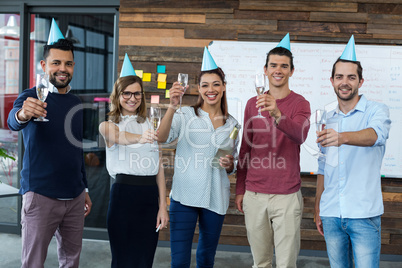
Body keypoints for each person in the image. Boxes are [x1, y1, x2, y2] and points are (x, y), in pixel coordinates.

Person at [7, 19, 92, 268]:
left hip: (75, 198)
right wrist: (23, 114)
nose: (62, 69)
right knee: (33, 263)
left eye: (67, 63)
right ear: (44, 65)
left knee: (71, 262)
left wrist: (84, 188)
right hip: (40, 197)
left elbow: (76, 150)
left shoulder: (77, 102)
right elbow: (14, 120)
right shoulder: (30, 97)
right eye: (56, 63)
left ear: (73, 67)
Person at [158, 47, 240, 268]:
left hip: (216, 197)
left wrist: (230, 164)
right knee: (180, 260)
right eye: (205, 85)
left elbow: (234, 163)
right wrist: (171, 107)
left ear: (223, 87)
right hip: (184, 196)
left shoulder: (232, 123)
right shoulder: (185, 114)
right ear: (198, 89)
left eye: (215, 84)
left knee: (206, 258)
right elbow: (162, 138)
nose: (210, 89)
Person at [235, 33, 311, 268]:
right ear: (265, 70)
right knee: (261, 263)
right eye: (273, 65)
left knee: (286, 264)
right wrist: (240, 189)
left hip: (287, 196)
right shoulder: (251, 103)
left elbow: (300, 135)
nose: (278, 70)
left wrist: (277, 113)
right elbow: (245, 148)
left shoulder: (301, 104)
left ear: (292, 71)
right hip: (254, 194)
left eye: (284, 66)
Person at [314, 36, 391, 268]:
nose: (344, 82)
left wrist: (342, 137)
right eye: (339, 77)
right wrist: (318, 206)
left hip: (364, 214)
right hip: (331, 215)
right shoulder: (325, 118)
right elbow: (322, 165)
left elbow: (376, 135)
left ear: (360, 81)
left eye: (351, 77)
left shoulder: (376, 110)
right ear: (332, 81)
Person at [99, 55, 169, 268]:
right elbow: (120, 137)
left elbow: (158, 168)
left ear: (142, 96)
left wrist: (162, 206)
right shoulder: (107, 125)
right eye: (126, 93)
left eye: (136, 93)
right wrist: (140, 138)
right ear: (117, 96)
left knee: (144, 261)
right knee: (122, 260)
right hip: (123, 196)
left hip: (149, 198)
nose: (132, 98)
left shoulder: (149, 123)